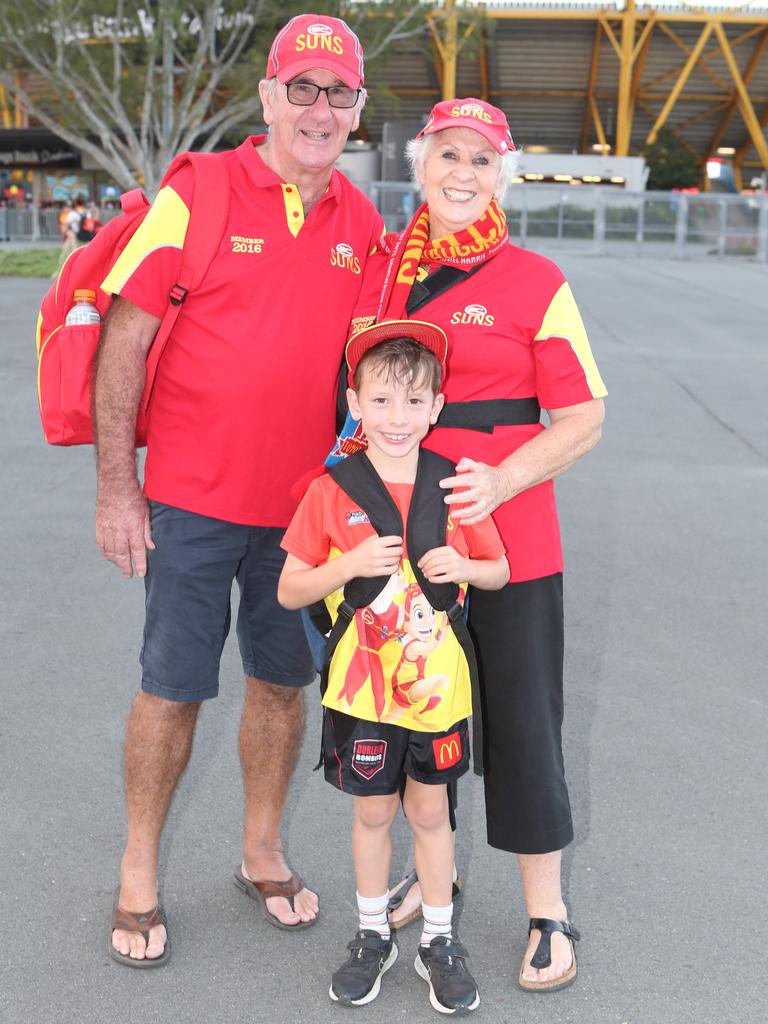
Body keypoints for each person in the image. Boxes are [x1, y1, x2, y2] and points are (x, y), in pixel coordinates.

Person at [93, 13, 384, 966]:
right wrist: (117, 489)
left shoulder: (364, 222)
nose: (318, 108)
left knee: (280, 687)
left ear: (357, 112)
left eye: (337, 93)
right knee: (171, 689)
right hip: (187, 498)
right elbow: (124, 338)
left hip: (300, 515)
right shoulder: (204, 192)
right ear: (267, 98)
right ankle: (139, 870)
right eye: (301, 88)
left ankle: (261, 851)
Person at [341, 98, 607, 992]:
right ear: (419, 165)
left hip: (512, 532)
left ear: (504, 175)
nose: (463, 173)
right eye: (447, 154)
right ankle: (436, 872)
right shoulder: (383, 270)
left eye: (481, 160)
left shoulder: (536, 279)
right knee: (421, 712)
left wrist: (500, 481)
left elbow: (585, 417)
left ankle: (546, 909)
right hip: (401, 538)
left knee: (525, 720)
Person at [278, 322, 508, 1010]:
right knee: (375, 813)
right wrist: (345, 565)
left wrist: (465, 565)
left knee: (432, 813)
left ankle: (439, 940)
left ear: (437, 406)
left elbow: (498, 571)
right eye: (380, 401)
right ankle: (371, 933)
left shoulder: (454, 486)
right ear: (355, 401)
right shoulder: (332, 490)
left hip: (436, 692)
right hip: (363, 693)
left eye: (413, 402)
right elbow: (291, 588)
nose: (397, 418)